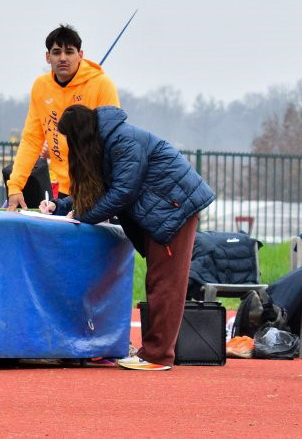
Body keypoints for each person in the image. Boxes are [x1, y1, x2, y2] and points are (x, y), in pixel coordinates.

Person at [40, 104, 215, 370]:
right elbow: (101, 188)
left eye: (69, 139)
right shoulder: (109, 140)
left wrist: (81, 217)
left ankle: (158, 356)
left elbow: (123, 192)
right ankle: (156, 352)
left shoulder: (122, 141)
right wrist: (60, 206)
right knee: (160, 281)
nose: (68, 146)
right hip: (165, 206)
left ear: (80, 134)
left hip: (173, 208)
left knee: (165, 283)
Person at [5, 25, 119, 210]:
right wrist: (15, 186)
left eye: (69, 52)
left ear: (80, 55)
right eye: (57, 52)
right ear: (47, 57)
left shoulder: (101, 84)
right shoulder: (41, 86)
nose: (63, 58)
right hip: (67, 189)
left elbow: (114, 139)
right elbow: (32, 140)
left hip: (100, 188)